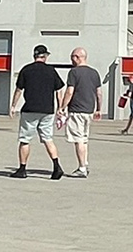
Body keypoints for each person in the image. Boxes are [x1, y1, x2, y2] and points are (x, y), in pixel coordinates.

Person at [10, 43, 66, 180]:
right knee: (48, 138)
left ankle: (22, 169)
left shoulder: (26, 70)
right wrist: (60, 107)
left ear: (34, 56)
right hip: (47, 110)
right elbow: (59, 90)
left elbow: (19, 90)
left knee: (25, 139)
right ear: (45, 56)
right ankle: (56, 166)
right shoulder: (51, 71)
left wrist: (13, 106)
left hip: (30, 109)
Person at [56, 47, 101, 178]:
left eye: (72, 58)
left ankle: (81, 168)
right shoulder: (94, 73)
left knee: (78, 140)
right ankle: (85, 163)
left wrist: (62, 107)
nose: (71, 60)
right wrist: (98, 109)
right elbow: (99, 92)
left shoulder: (74, 72)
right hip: (89, 111)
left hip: (77, 110)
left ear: (77, 57)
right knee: (84, 139)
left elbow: (70, 91)